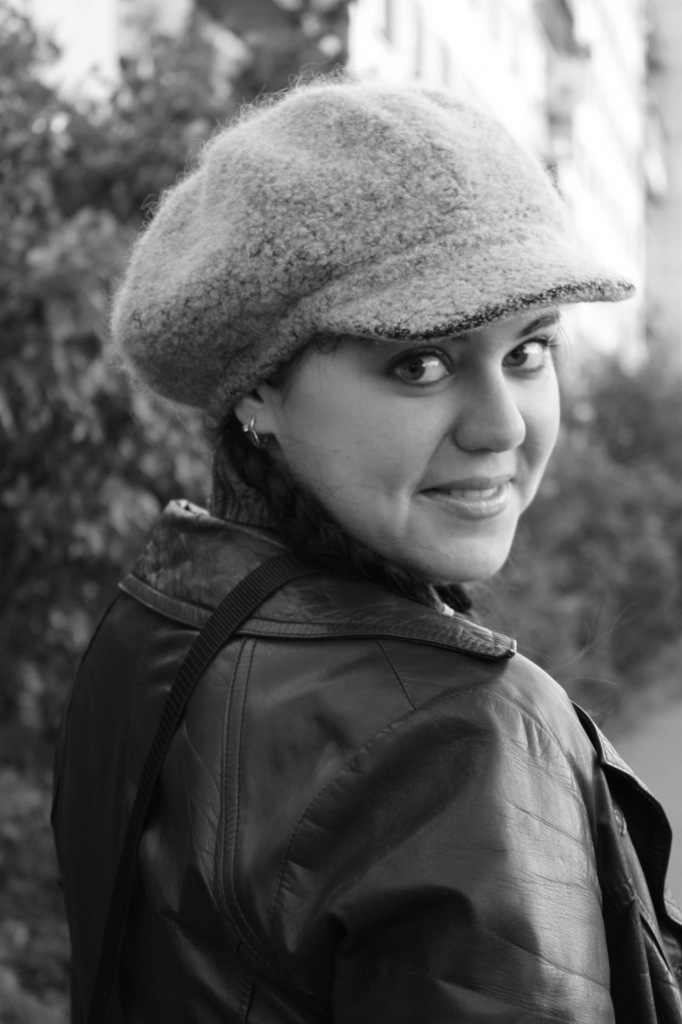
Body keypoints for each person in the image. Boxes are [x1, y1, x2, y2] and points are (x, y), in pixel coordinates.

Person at [52, 79, 682, 1023]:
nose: (503, 426)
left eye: (529, 350)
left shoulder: (160, 616)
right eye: (420, 362)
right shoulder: (462, 737)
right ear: (257, 389)